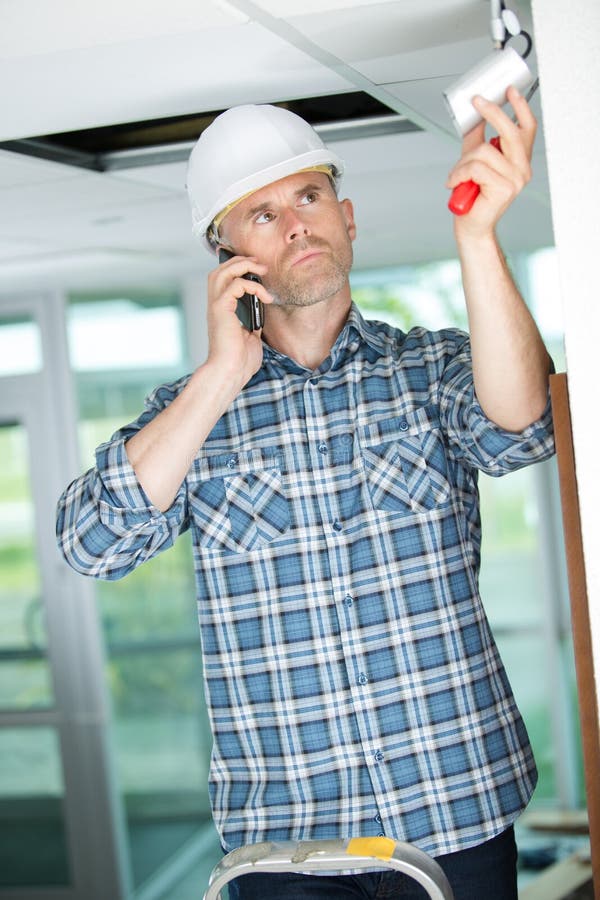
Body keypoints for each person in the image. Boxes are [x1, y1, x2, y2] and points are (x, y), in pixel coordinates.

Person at [56, 90, 554, 900]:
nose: (296, 224)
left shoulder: (430, 369)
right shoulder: (194, 415)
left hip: (453, 812)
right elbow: (91, 542)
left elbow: (523, 428)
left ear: (347, 217)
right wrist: (221, 376)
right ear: (227, 257)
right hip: (288, 845)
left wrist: (476, 232)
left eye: (309, 196)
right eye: (261, 213)